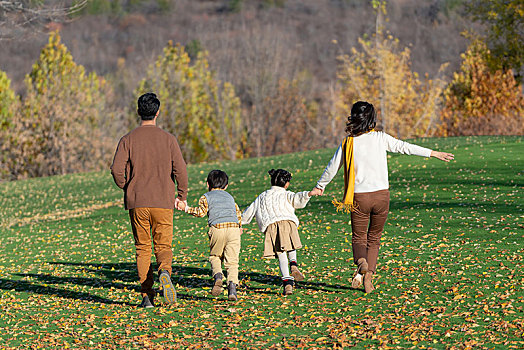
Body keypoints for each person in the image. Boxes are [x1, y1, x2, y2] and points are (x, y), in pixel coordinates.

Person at [311, 101, 454, 293]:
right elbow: (405, 147)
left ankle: (361, 263)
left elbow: (332, 167)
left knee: (359, 237)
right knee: (374, 239)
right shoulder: (380, 138)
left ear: (353, 118)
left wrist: (320, 187)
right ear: (372, 119)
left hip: (359, 198)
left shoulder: (348, 143)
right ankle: (367, 276)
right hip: (382, 197)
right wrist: (433, 153)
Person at [110, 92, 188, 308]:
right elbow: (181, 170)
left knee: (142, 248)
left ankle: (146, 296)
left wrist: (127, 187)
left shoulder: (127, 140)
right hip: (163, 200)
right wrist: (181, 195)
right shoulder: (168, 139)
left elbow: (116, 170)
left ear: (138, 112)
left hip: (138, 202)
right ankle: (165, 271)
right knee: (163, 244)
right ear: (158, 112)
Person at [242, 169, 315, 295]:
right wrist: (308, 194)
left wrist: (238, 221)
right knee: (291, 245)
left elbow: (249, 213)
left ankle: (287, 283)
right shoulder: (286, 194)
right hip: (288, 222)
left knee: (281, 254)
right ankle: (293, 263)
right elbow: (297, 199)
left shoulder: (262, 196)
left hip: (271, 226)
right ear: (286, 184)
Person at [179, 170, 242, 302]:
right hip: (234, 228)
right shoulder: (229, 197)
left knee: (215, 256)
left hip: (217, 228)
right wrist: (240, 226)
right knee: (232, 261)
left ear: (207, 184)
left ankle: (218, 276)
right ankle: (232, 287)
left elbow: (201, 212)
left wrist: (186, 208)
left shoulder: (206, 197)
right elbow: (237, 212)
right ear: (226, 186)